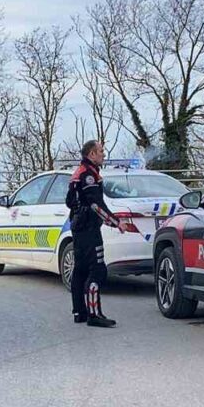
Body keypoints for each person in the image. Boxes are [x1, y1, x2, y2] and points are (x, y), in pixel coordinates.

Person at [66, 139, 122, 327]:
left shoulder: (78, 172)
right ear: (91, 154)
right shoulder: (88, 175)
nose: (103, 155)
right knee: (97, 269)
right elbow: (96, 205)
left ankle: (79, 312)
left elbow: (69, 201)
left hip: (78, 227)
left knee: (80, 269)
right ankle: (94, 314)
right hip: (89, 228)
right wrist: (116, 223)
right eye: (100, 151)